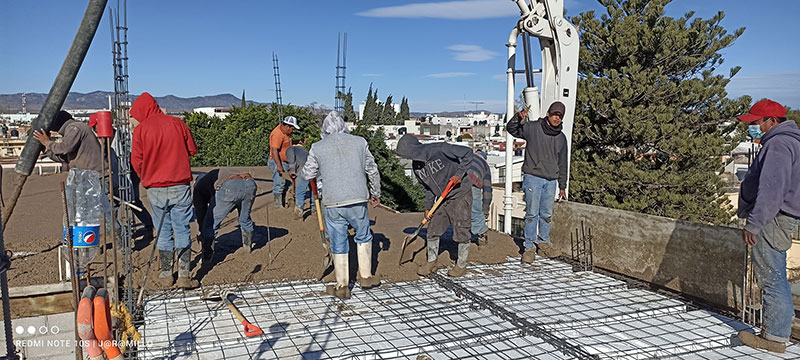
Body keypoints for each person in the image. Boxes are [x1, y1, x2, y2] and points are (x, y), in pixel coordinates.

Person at [734, 99, 800, 353]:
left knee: (771, 277)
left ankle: (773, 338)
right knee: (775, 274)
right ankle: (775, 333)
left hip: (772, 218)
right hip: (780, 216)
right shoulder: (790, 140)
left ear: (773, 121)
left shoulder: (779, 144)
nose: (754, 127)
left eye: (757, 122)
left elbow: (772, 189)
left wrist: (754, 223)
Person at [302, 111, 381, 299]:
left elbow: (307, 174)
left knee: (338, 241)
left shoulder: (317, 147)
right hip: (357, 199)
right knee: (363, 235)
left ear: (325, 129)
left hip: (333, 202)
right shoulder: (360, 142)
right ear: (344, 126)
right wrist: (376, 193)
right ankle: (366, 277)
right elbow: (372, 169)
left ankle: (342, 286)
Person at [130, 92, 198, 289]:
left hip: (155, 189)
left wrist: (147, 176)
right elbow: (192, 150)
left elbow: (137, 161)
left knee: (162, 231)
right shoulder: (178, 123)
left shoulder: (140, 130)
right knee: (182, 229)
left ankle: (166, 274)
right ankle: (184, 276)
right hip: (180, 185)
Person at [395, 134, 474, 278]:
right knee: (433, 229)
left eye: (406, 154)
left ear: (413, 150)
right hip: (442, 198)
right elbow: (427, 188)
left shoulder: (440, 149)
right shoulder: (416, 166)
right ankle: (432, 261)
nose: (407, 158)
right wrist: (428, 207)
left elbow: (468, 153)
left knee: (461, 229)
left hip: (460, 193)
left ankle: (461, 265)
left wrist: (459, 174)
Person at [506, 101, 568, 264]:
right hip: (533, 177)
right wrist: (518, 118)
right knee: (532, 214)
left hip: (551, 180)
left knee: (546, 215)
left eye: (560, 116)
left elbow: (563, 162)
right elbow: (511, 129)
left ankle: (544, 244)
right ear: (548, 113)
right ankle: (529, 248)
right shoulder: (533, 128)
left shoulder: (561, 138)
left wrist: (562, 186)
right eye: (554, 114)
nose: (557, 118)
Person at [89, 115, 155, 242]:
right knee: (112, 206)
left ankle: (148, 226)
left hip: (130, 174)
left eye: (95, 126)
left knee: (133, 202)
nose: (94, 130)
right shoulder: (100, 141)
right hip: (112, 178)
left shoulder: (122, 136)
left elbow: (134, 154)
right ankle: (116, 234)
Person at [193, 168, 257, 260]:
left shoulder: (198, 187)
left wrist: (202, 232)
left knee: (210, 224)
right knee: (244, 218)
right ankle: (248, 248)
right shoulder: (212, 176)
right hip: (250, 183)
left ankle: (206, 259)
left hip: (231, 186)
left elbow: (200, 211)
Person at [268, 116, 299, 208]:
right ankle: (278, 205)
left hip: (284, 162)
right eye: (292, 128)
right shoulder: (277, 134)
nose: (293, 131)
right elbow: (274, 150)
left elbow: (286, 144)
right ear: (287, 126)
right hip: (277, 161)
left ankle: (282, 201)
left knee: (285, 183)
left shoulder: (286, 133)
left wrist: (297, 141)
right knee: (279, 183)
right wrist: (279, 165)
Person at [467, 149, 492, 245]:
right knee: (476, 211)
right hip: (473, 183)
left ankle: (462, 236)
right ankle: (482, 234)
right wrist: (485, 209)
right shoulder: (485, 166)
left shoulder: (466, 155)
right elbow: (487, 190)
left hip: (458, 181)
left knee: (459, 211)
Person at [286, 140, 315, 219]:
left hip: (303, 171)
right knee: (313, 189)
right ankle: (314, 208)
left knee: (300, 191)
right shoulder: (305, 150)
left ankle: (299, 211)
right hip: (312, 170)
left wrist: (292, 172)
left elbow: (292, 161)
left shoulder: (290, 149)